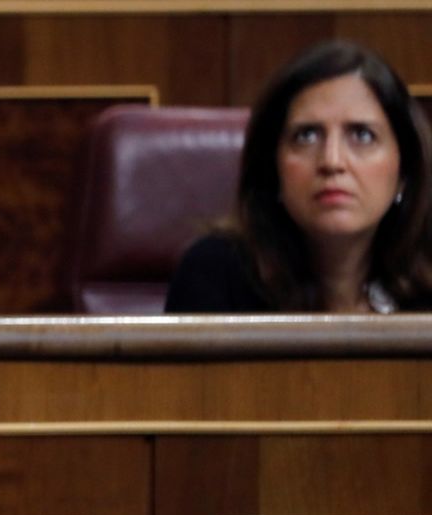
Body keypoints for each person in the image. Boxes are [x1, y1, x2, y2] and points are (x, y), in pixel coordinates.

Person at [166, 40, 432, 313]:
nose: (332, 161)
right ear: (273, 166)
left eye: (362, 135)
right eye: (306, 136)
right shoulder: (215, 274)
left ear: (405, 172)